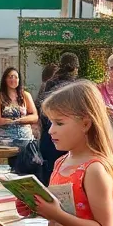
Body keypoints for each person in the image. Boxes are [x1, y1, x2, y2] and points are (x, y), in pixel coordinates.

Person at [29, 81, 113, 226]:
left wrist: (57, 215)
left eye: (59, 123)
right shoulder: (60, 163)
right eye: (50, 122)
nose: (50, 130)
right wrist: (36, 207)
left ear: (85, 123)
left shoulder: (94, 169)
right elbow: (60, 213)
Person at [37, 52, 80, 182]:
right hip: (69, 136)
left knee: (50, 175)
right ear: (75, 68)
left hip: (49, 134)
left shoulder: (49, 84)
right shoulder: (75, 87)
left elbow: (41, 111)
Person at [0, 67, 38, 147]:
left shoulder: (25, 95)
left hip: (25, 137)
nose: (13, 79)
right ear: (5, 79)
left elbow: (35, 117)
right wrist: (12, 121)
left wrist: (21, 120)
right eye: (10, 77)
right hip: (6, 138)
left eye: (16, 77)